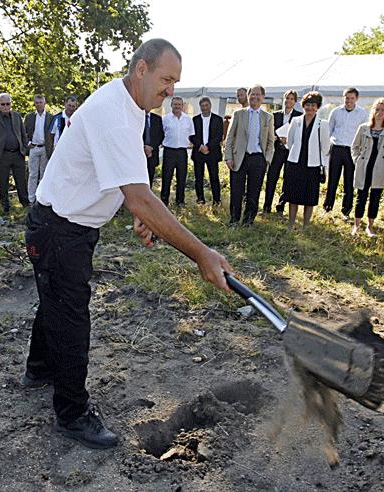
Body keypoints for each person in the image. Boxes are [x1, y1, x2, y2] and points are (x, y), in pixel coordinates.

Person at [22, 38, 232, 449]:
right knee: (70, 315)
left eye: (176, 82)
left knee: (55, 299)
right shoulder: (113, 113)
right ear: (141, 69)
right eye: (166, 79)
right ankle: (72, 413)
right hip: (58, 229)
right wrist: (201, 254)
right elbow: (139, 194)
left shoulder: (131, 107)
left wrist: (138, 211)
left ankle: (39, 369)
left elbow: (122, 178)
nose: (172, 90)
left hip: (67, 226)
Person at [349, 98, 384, 237]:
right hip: (365, 165)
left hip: (380, 167)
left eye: (382, 110)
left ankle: (370, 226)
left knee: (375, 197)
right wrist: (357, 160)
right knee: (361, 195)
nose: (379, 113)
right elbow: (354, 146)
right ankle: (357, 225)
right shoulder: (364, 127)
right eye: (377, 109)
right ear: (373, 111)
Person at [224, 85, 275, 226]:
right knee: (236, 191)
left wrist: (267, 160)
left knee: (254, 192)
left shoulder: (268, 117)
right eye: (252, 94)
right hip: (239, 158)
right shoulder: (239, 114)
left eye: (258, 95)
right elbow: (230, 137)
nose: (255, 97)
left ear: (263, 98)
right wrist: (228, 156)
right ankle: (234, 220)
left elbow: (271, 142)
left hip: (258, 159)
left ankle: (248, 221)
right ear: (248, 96)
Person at [282, 91, 330, 230]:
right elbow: (290, 142)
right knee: (293, 196)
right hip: (295, 163)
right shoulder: (295, 121)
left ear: (318, 107)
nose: (310, 108)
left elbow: (326, 147)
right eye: (308, 105)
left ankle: (306, 225)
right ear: (303, 106)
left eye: (313, 105)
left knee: (310, 197)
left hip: (313, 165)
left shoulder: (323, 124)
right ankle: (291, 224)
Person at [325, 87, 369, 218]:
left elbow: (364, 133)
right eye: (347, 98)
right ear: (343, 98)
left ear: (356, 99)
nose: (349, 101)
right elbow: (329, 129)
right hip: (337, 147)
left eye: (352, 98)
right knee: (332, 179)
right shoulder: (336, 112)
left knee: (349, 181)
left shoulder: (362, 114)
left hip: (351, 149)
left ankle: (346, 210)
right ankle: (328, 207)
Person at [0, 93, 29, 211]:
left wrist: (24, 149)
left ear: (11, 104)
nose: (5, 106)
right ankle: (5, 207)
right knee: (3, 182)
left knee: (21, 181)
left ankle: (25, 204)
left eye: (8, 104)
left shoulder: (17, 116)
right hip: (3, 155)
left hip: (17, 154)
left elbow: (22, 134)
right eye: (3, 104)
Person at [266, 90, 301, 214]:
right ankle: (267, 206)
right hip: (276, 151)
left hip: (290, 151)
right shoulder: (275, 115)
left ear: (295, 101)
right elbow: (270, 131)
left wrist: (289, 140)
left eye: (292, 99)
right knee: (271, 177)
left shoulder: (298, 116)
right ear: (283, 99)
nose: (289, 101)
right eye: (287, 98)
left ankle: (281, 206)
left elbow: (299, 135)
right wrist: (275, 137)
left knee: (287, 179)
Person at [160, 96, 195, 206]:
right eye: (175, 104)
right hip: (169, 151)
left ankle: (180, 201)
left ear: (182, 106)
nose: (177, 106)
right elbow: (160, 134)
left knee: (181, 177)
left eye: (179, 104)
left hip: (182, 152)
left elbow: (191, 135)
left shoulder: (188, 119)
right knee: (166, 177)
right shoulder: (165, 119)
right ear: (171, 105)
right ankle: (164, 201)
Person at [191, 97, 223, 205]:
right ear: (200, 107)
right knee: (198, 177)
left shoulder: (218, 119)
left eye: (206, 105)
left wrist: (208, 147)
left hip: (212, 153)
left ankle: (216, 200)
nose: (204, 108)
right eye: (202, 106)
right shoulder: (195, 120)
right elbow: (191, 135)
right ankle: (200, 199)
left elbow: (219, 136)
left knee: (214, 177)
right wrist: (200, 146)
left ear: (210, 106)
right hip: (198, 152)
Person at [24, 94, 54, 202]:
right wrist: (28, 143)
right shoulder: (30, 117)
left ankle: (41, 198)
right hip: (33, 148)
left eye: (41, 102)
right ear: (34, 104)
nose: (39, 105)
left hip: (45, 148)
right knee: (32, 174)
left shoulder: (51, 117)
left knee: (43, 174)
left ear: (45, 103)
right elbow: (24, 132)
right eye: (37, 103)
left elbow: (53, 134)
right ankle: (31, 198)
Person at [143, 110, 164, 187]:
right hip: (139, 152)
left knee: (150, 175)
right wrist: (144, 147)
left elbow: (160, 135)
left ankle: (148, 195)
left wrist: (151, 147)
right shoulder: (136, 117)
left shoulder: (157, 118)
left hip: (152, 152)